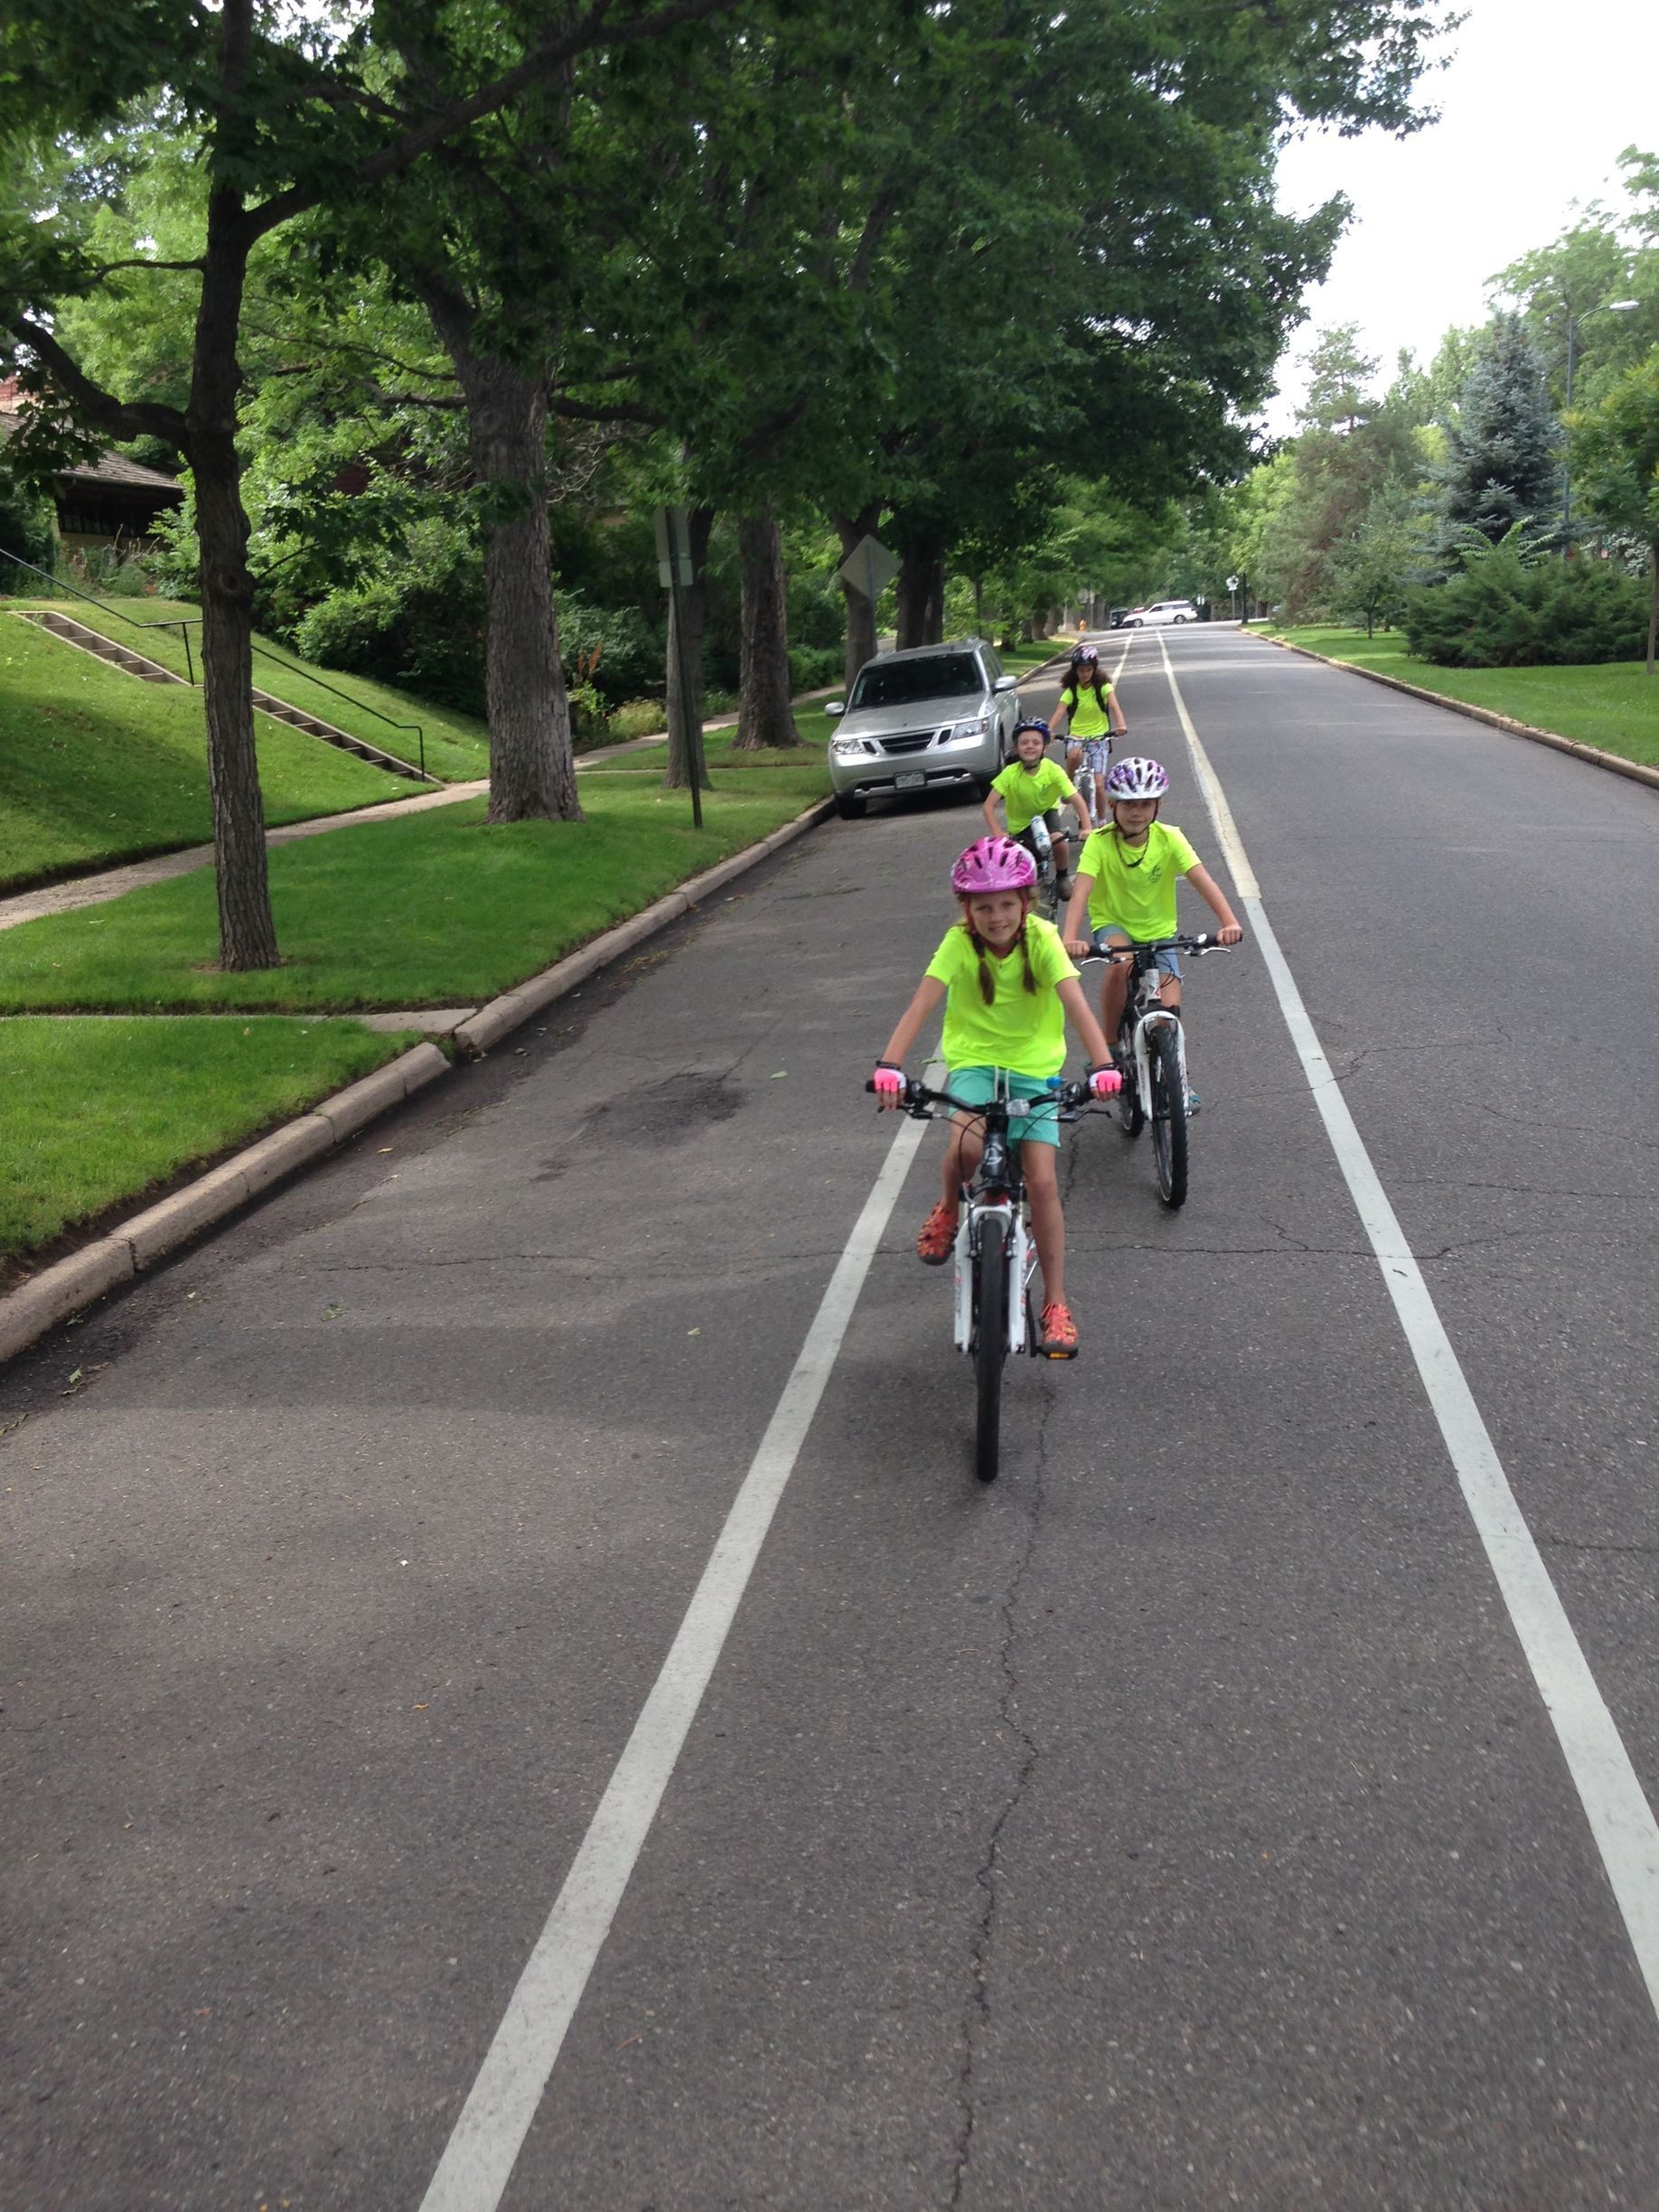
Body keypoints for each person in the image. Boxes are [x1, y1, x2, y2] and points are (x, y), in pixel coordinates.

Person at [871, 836, 1119, 1357]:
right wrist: (890, 1066)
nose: (997, 916)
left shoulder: (1045, 939)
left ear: (1026, 903)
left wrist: (1103, 1066)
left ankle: (1055, 1302)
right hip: (975, 1064)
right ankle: (947, 1207)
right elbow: (922, 1003)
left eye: (1007, 904)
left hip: (1034, 1070)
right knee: (964, 1147)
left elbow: (1075, 1003)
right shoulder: (958, 944)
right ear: (967, 909)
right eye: (983, 906)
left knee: (1044, 1182)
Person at [1061, 755, 1242, 1106]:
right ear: (1112, 805)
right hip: (1114, 927)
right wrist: (1070, 937)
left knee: (1168, 1020)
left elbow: (1201, 880)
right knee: (1121, 964)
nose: (1137, 812)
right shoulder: (1099, 842)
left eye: (1145, 804)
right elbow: (1081, 889)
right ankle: (1109, 1045)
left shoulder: (1170, 838)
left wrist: (1229, 922)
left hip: (1160, 934)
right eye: (1128, 804)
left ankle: (1179, 1082)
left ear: (1158, 806)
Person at [980, 718, 1092, 896]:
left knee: (1058, 838)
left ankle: (1062, 877)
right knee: (1022, 862)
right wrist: (998, 833)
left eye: (1036, 743)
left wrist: (1086, 827)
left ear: (1044, 748)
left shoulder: (1052, 770)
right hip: (1021, 823)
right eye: (1024, 743)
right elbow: (988, 806)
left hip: (1047, 812)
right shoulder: (1010, 774)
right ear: (1016, 748)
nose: (1030, 746)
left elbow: (1076, 799)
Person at [1050, 644, 1127, 825]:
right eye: (1081, 670)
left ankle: (1101, 821)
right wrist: (1048, 731)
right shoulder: (1072, 692)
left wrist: (1121, 725)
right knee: (1074, 754)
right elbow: (1060, 711)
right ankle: (1068, 785)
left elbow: (1114, 706)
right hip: (1076, 735)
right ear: (1075, 671)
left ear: (1094, 669)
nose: (1085, 674)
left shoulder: (1104, 688)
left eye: (1088, 670)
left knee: (1099, 784)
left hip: (1099, 737)